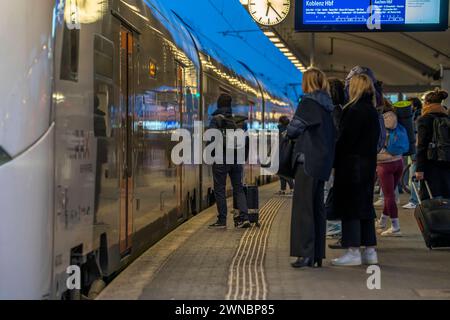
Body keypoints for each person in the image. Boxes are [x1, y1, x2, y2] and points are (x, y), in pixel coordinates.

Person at [287, 68, 336, 268]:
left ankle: (304, 254)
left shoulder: (308, 103)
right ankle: (317, 254)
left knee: (303, 208)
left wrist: (290, 132)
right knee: (317, 208)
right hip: (322, 163)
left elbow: (293, 130)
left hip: (307, 162)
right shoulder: (328, 106)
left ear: (308, 83)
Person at [332, 74, 380, 266]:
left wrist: (334, 161)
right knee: (365, 207)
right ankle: (370, 251)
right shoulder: (371, 110)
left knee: (350, 208)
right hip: (368, 165)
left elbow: (344, 141)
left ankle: (352, 251)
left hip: (351, 166)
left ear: (355, 88)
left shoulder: (352, 110)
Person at [209, 94, 251, 229]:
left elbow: (211, 139)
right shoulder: (240, 121)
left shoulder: (216, 120)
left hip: (221, 160)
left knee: (219, 189)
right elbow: (247, 142)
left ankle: (222, 220)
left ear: (219, 105)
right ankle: (244, 217)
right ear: (230, 105)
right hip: (237, 159)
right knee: (238, 189)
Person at [415, 89, 450, 199]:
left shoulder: (424, 119)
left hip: (429, 164)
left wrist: (419, 169)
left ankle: (434, 216)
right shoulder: (447, 118)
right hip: (447, 161)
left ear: (427, 103)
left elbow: (422, 145)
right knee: (446, 196)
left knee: (429, 198)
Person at [376, 110, 405, 237]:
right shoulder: (397, 120)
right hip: (399, 161)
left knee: (389, 196)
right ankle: (382, 221)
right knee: (390, 195)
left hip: (384, 163)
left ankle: (395, 227)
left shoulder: (379, 122)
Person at [326, 78, 346, 239]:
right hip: (337, 159)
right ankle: (334, 227)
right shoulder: (341, 109)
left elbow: (334, 137)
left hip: (332, 160)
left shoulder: (333, 111)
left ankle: (333, 227)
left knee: (329, 192)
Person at [403, 97, 423, 209]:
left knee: (414, 174)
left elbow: (416, 132)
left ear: (414, 105)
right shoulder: (418, 114)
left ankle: (414, 201)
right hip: (417, 147)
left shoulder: (417, 116)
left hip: (417, 147)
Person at [277, 116, 294, 195]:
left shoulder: (281, 130)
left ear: (281, 122)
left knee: (283, 172)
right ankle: (282, 189)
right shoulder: (289, 129)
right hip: (286, 152)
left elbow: (278, 142)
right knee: (281, 171)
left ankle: (292, 188)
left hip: (281, 152)